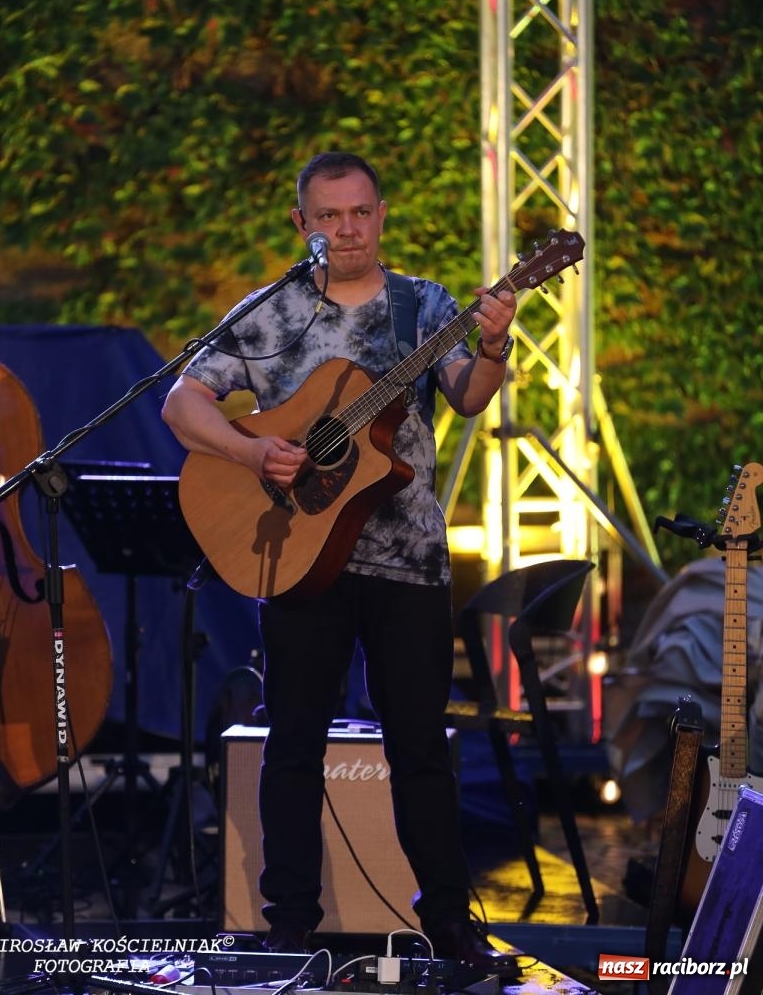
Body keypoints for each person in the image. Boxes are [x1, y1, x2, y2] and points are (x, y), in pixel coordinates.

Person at [162, 152, 517, 966]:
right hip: (296, 555)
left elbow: (466, 394)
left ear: (381, 215)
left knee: (421, 750)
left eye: (359, 213)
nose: (346, 230)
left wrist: (492, 346)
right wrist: (253, 457)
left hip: (410, 563)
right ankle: (291, 920)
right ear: (302, 226)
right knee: (291, 744)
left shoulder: (423, 305)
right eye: (328, 217)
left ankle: (452, 927)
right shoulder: (272, 310)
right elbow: (182, 400)